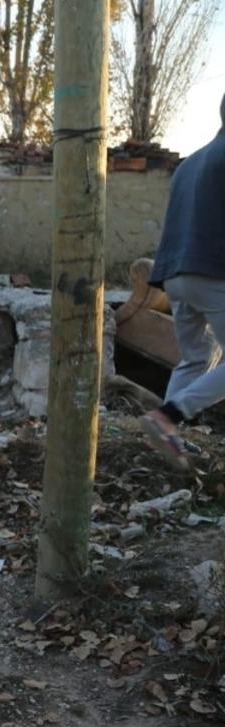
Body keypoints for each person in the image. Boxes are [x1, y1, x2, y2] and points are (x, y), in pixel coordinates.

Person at [141, 93, 225, 469]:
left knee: (197, 358)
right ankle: (168, 417)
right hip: (212, 272)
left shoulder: (190, 163)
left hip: (175, 275)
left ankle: (165, 437)